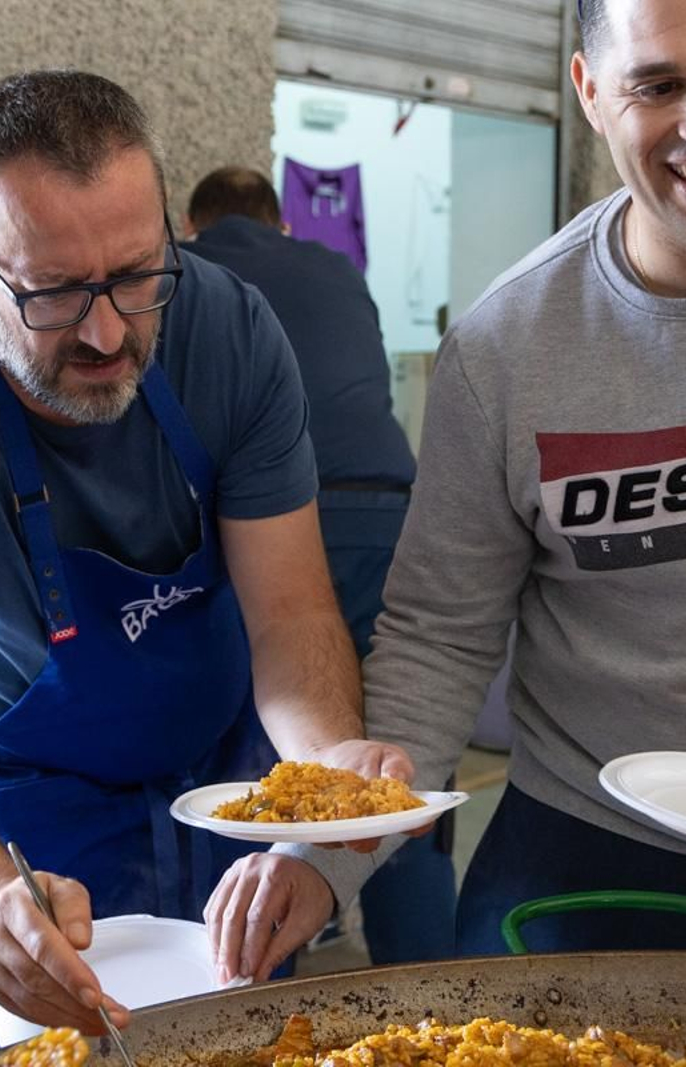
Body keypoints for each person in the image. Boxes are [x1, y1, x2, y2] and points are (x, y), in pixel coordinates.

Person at [0, 71, 399, 1034]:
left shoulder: (232, 333)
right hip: (28, 827)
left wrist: (322, 780)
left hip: (223, 793)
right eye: (53, 293)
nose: (107, 331)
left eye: (136, 275)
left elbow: (292, 617)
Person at [288, 0, 686, 960]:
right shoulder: (503, 349)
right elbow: (439, 633)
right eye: (658, 84)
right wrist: (325, 856)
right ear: (590, 91)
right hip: (588, 849)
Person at [183, 167, 457, 966]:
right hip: (388, 514)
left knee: (280, 765)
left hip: (274, 517)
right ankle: (428, 980)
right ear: (282, 223)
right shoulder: (336, 267)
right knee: (385, 760)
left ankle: (270, 969)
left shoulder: (190, 274)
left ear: (194, 227)